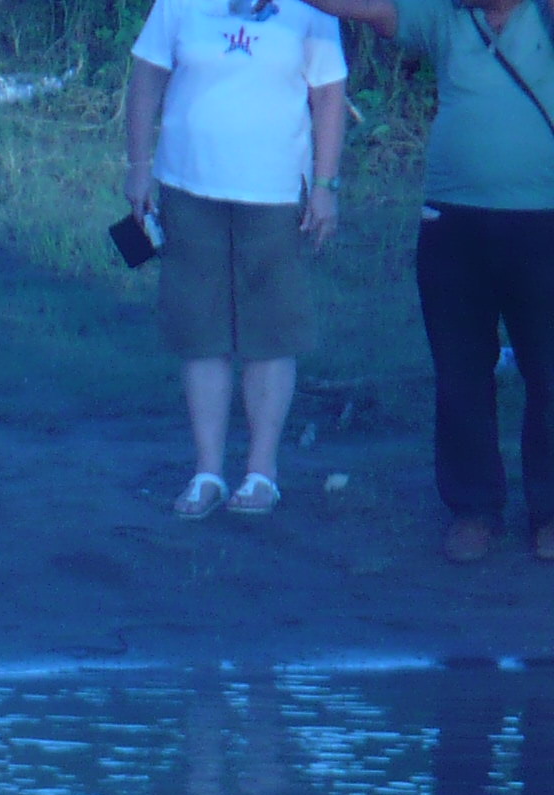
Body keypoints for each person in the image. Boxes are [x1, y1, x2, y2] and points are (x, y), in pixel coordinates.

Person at [307, 0, 554, 561]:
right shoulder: (445, 18)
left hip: (544, 223)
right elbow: (367, 8)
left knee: (550, 372)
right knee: (461, 371)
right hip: (453, 224)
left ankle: (550, 512)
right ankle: (473, 509)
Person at [124, 0, 346, 520]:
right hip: (187, 187)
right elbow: (146, 77)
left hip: (273, 196)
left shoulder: (312, 8)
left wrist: (326, 185)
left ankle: (261, 474)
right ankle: (207, 473)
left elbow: (330, 95)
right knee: (201, 333)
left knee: (270, 334)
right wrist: (138, 167)